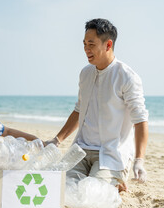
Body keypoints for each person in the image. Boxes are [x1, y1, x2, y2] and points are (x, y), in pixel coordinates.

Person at [46, 18, 149, 192]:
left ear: (108, 45)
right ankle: (112, 183)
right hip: (80, 150)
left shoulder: (127, 77)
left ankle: (114, 179)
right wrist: (56, 140)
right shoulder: (85, 73)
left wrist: (139, 160)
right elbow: (79, 109)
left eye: (91, 44)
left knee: (91, 192)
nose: (86, 49)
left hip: (111, 154)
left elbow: (140, 120)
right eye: (84, 44)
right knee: (63, 189)